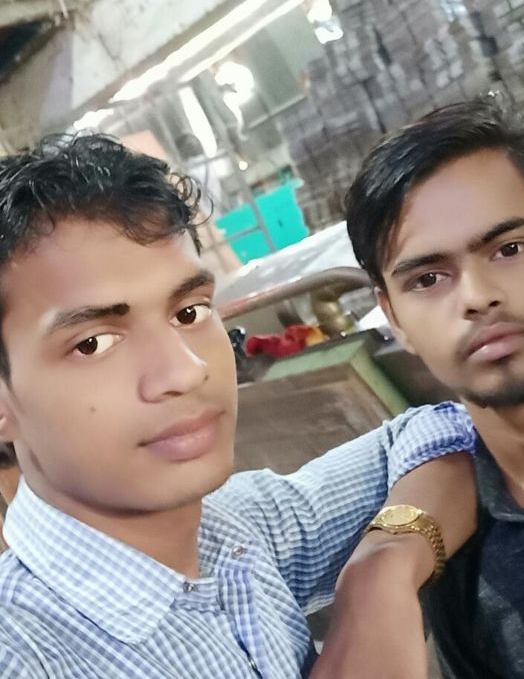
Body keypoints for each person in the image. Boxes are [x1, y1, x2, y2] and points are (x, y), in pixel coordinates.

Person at [0, 133, 476, 678]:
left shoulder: (235, 532)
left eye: (189, 313)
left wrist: (380, 578)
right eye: (93, 343)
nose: (186, 370)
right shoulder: (25, 654)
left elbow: (438, 433)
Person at [333, 99, 524, 679]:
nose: (477, 296)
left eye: (509, 249)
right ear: (393, 317)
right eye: (428, 278)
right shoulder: (450, 553)